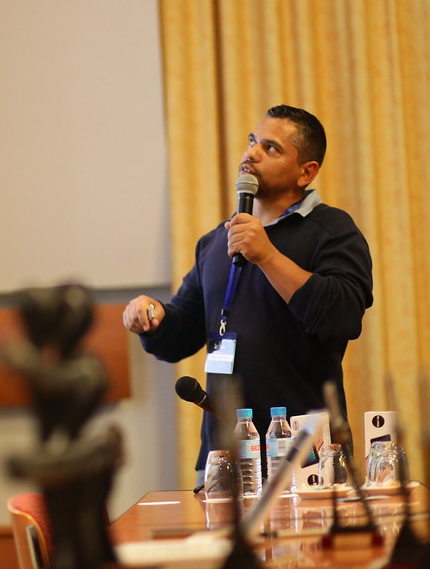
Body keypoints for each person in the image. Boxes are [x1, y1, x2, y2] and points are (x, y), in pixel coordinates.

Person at [122, 105, 373, 482]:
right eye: (252, 141)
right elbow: (182, 332)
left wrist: (267, 255)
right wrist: (153, 317)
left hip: (306, 454)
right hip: (225, 454)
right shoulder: (216, 242)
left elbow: (341, 316)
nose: (251, 153)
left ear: (306, 172)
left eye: (271, 148)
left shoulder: (332, 230)